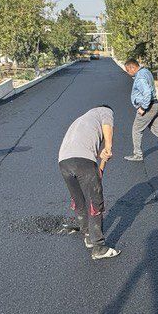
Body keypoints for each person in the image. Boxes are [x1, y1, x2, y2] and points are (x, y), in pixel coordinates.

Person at [58, 105, 119, 261]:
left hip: (63, 162)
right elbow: (107, 125)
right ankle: (99, 247)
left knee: (79, 201)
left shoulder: (82, 120)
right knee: (95, 203)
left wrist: (100, 157)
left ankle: (88, 236)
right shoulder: (105, 111)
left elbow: (86, 148)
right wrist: (108, 146)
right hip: (82, 160)